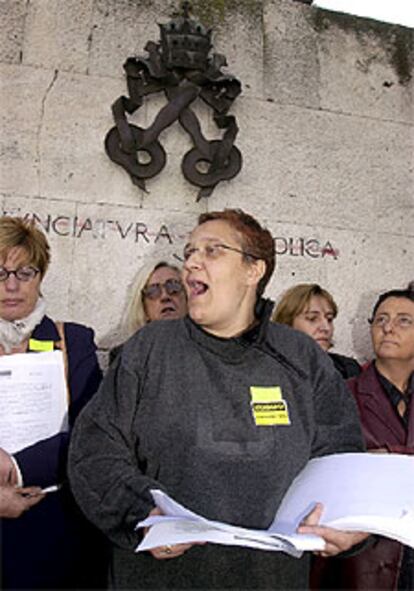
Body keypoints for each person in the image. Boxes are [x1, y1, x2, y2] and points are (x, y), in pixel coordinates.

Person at [69, 208, 367, 590]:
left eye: (211, 251)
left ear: (253, 270)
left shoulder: (302, 358)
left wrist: (344, 523)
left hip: (270, 579)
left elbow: (338, 458)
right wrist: (141, 512)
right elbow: (95, 450)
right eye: (189, 252)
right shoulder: (149, 350)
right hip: (159, 579)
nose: (192, 262)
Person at [0, 216, 108, 589]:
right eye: (0, 273)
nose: (11, 286)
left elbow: (93, 431)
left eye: (24, 273)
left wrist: (15, 465)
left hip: (52, 532)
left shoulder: (72, 342)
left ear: (41, 277)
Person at [311, 287, 414, 590]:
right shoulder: (342, 394)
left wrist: (385, 457)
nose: (388, 327)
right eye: (380, 319)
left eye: (403, 320)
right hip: (362, 562)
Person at [272, 283, 361, 379]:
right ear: (287, 324)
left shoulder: (348, 369)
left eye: (329, 319)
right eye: (312, 318)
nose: (326, 327)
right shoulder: (268, 370)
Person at [109, 258, 187, 362]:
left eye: (173, 286)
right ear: (143, 307)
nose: (165, 296)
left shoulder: (208, 350)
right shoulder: (126, 357)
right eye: (153, 291)